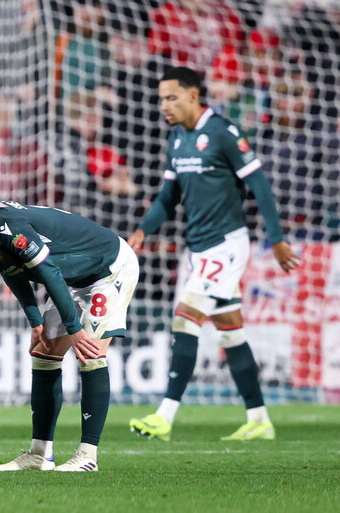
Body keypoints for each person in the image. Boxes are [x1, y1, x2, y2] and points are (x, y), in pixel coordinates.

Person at [128, 67, 301, 442]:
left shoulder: (222, 132)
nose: (164, 106)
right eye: (161, 99)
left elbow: (260, 185)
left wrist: (276, 239)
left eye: (171, 98)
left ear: (193, 95)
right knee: (231, 334)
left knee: (185, 319)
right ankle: (259, 419)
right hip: (198, 248)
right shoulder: (177, 138)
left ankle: (164, 416)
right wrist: (143, 230)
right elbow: (168, 198)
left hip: (226, 245)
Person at [0, 201, 139, 472]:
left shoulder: (9, 227)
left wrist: (74, 329)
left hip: (108, 269)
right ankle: (40, 455)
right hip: (73, 279)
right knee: (44, 354)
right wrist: (36, 323)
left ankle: (88, 456)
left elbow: (48, 272)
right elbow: (11, 271)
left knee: (90, 354)